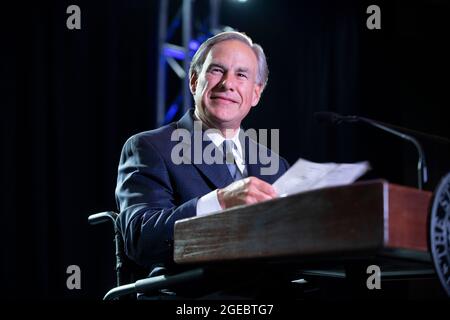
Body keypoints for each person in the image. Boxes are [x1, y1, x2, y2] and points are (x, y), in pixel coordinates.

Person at [115, 31, 290, 278]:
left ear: (256, 93)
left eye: (241, 75)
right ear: (194, 81)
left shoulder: (275, 164)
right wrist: (219, 201)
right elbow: (142, 239)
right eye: (217, 70)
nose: (227, 83)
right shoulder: (150, 147)